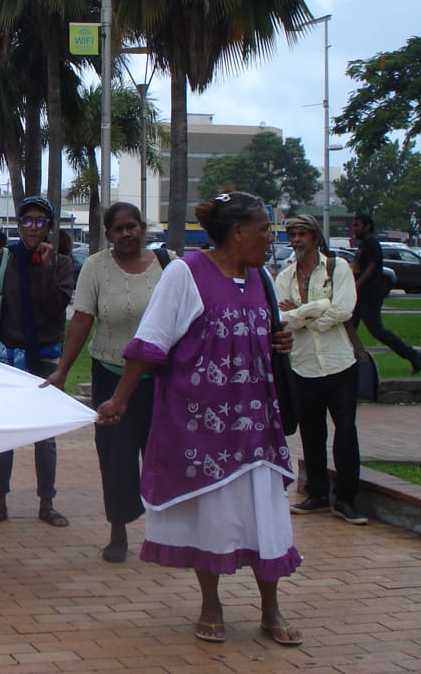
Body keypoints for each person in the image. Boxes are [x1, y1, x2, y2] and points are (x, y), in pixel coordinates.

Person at [96, 192, 302, 647]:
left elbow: (266, 333)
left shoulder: (261, 277)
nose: (271, 238)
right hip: (203, 426)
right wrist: (120, 400)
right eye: (265, 229)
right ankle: (211, 605)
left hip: (257, 425)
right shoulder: (184, 275)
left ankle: (272, 608)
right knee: (213, 516)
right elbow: (150, 342)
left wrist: (278, 342)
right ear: (238, 233)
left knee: (265, 516)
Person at [41, 202, 168, 560]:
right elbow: (82, 319)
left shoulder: (168, 265)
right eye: (119, 229)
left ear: (142, 228)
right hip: (110, 375)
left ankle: (167, 535)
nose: (127, 234)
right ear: (108, 235)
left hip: (160, 379)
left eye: (132, 226)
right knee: (115, 458)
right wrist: (62, 369)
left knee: (162, 457)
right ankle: (118, 531)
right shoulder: (96, 267)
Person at [0, 196, 74, 527]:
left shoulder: (60, 264)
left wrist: (44, 268)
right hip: (6, 353)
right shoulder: (3, 259)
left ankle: (47, 503)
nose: (33, 227)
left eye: (40, 222)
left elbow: (56, 307)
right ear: (18, 224)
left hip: (43, 356)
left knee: (45, 435)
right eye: (27, 221)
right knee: (5, 432)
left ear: (49, 227)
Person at [275, 215, 366, 525]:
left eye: (302, 234)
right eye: (293, 234)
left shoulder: (337, 268)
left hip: (340, 362)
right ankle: (316, 492)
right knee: (312, 433)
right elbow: (281, 319)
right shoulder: (284, 277)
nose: (297, 239)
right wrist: (319, 308)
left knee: (346, 431)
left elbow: (344, 309)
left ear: (315, 237)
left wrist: (307, 316)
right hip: (304, 366)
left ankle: (346, 499)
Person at [350, 213, 421, 374]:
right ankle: (347, 367)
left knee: (377, 330)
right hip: (359, 296)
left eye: (357, 225)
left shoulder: (371, 243)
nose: (354, 229)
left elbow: (372, 266)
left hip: (369, 295)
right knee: (347, 329)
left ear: (367, 226)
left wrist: (358, 283)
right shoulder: (364, 244)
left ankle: (412, 354)